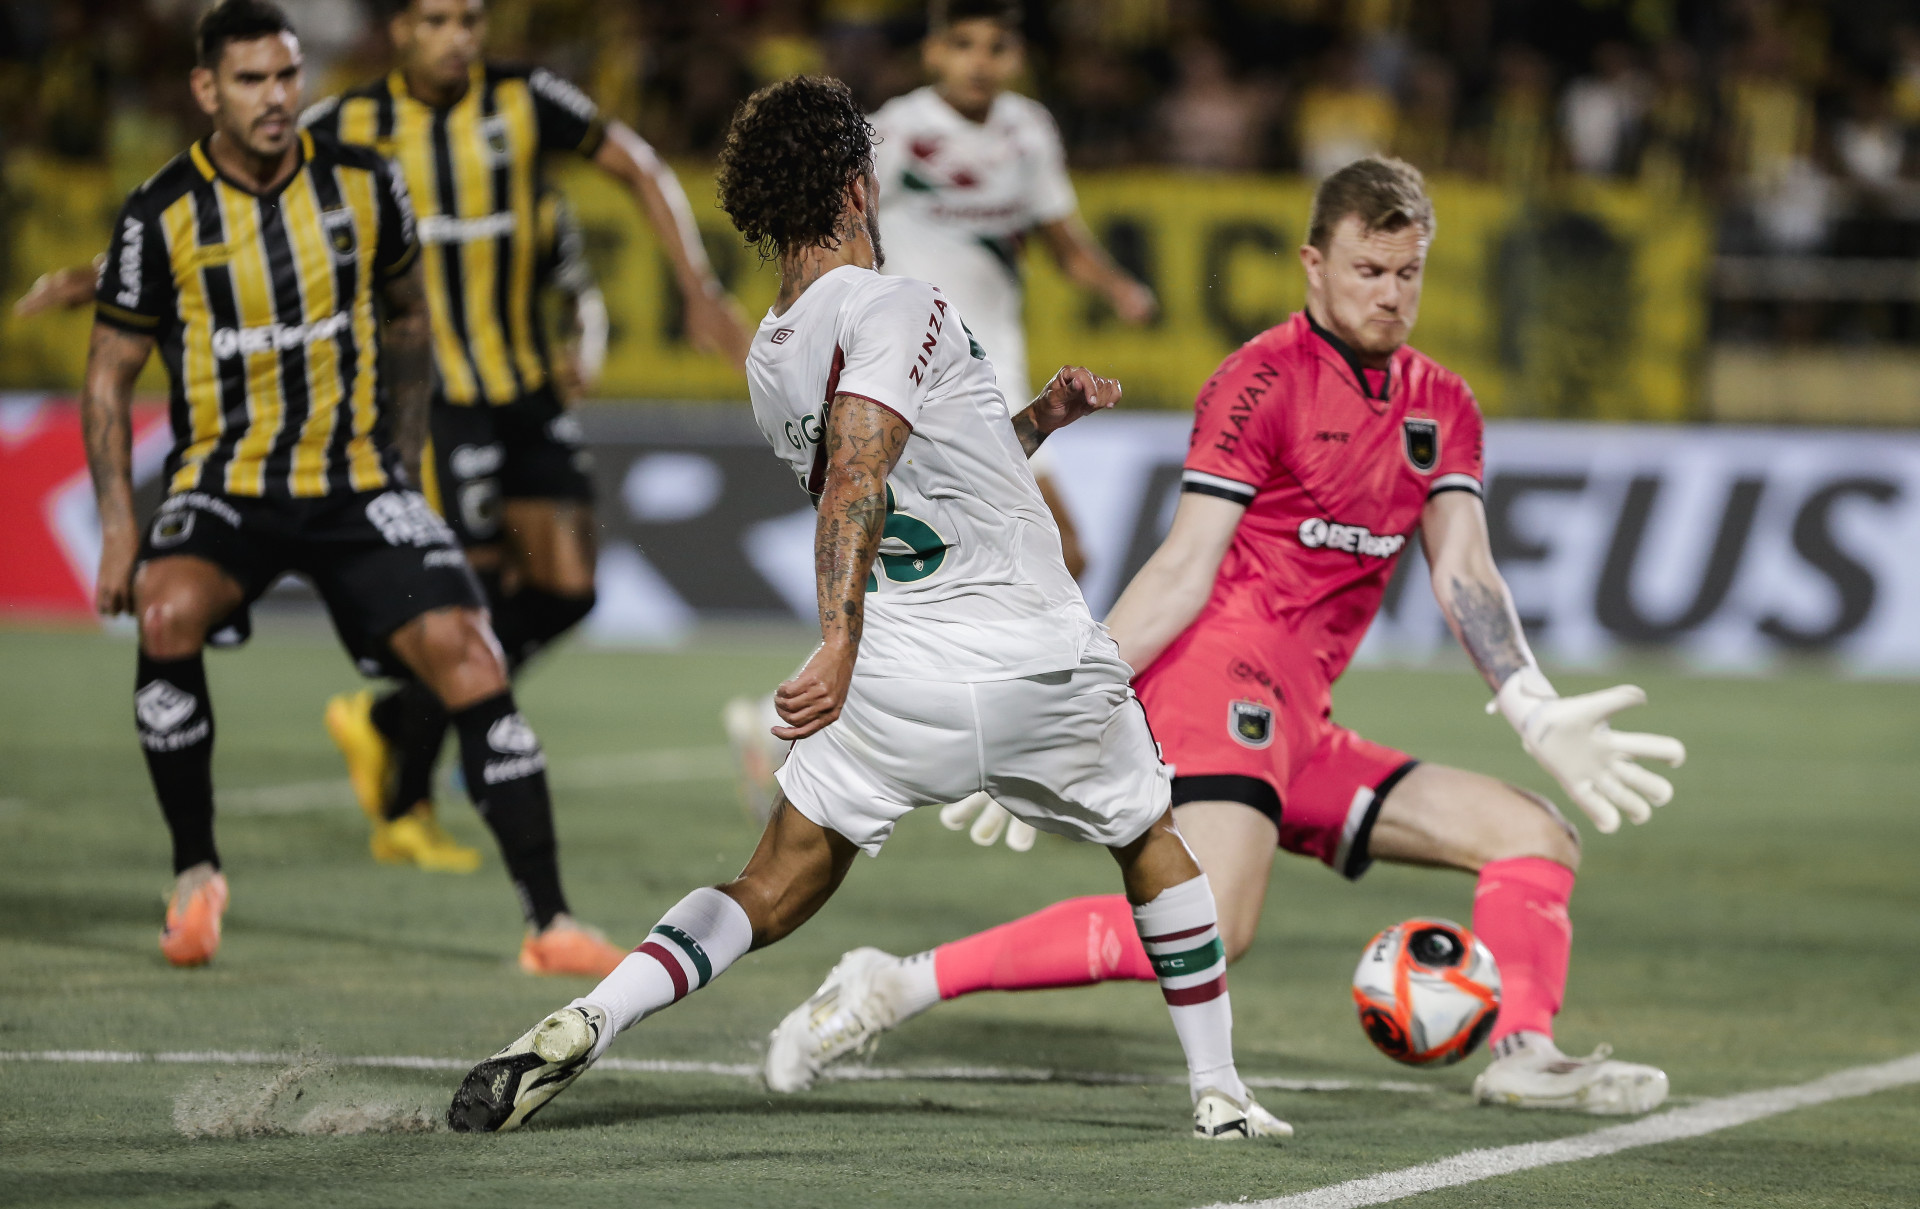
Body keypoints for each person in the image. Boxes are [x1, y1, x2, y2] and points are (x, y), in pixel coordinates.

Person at [446, 76, 1286, 1143]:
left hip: (900, 684)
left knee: (771, 881)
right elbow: (859, 478)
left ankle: (593, 1015)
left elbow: (929, 477)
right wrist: (835, 636)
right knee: (1152, 840)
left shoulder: (769, 352)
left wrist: (1038, 419)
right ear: (855, 186)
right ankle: (1217, 1089)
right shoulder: (902, 299)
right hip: (1033, 661)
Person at [762, 156, 1689, 1117]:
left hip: (1301, 722)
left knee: (1535, 836)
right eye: (1369, 272)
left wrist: (1532, 707)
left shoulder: (1443, 404)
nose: (1391, 294)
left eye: (1408, 273)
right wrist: (1068, 697)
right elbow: (1182, 565)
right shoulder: (1261, 379)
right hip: (1217, 685)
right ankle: (895, 983)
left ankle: (1527, 1052)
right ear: (1314, 265)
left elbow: (1466, 572)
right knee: (1219, 924)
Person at [82, 0, 621, 973]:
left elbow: (410, 316)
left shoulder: (366, 186)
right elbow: (108, 377)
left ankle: (550, 922)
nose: (277, 97)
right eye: (251, 80)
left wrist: (400, 453)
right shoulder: (160, 211)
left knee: (472, 647)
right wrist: (121, 532)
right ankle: (196, 874)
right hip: (227, 485)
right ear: (207, 90)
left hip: (352, 483)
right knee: (165, 611)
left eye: (287, 75)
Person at [301, 0, 752, 880]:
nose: (459, 36)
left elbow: (642, 166)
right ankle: (407, 806)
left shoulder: (526, 98)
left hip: (524, 387)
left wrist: (696, 285)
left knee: (569, 587)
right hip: (436, 401)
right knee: (463, 604)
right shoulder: (350, 121)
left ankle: (389, 722)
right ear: (398, 29)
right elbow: (227, 178)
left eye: (470, 18)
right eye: (436, 20)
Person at [722, 0, 1155, 836]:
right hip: (910, 367)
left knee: (946, 561)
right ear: (933, 50)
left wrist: (1114, 289)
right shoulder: (887, 131)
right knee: (1051, 549)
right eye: (962, 44)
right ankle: (1018, 739)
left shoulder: (1029, 132)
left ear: (1017, 54)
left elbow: (1060, 237)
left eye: (996, 44)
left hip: (987, 364)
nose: (979, 62)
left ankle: (806, 730)